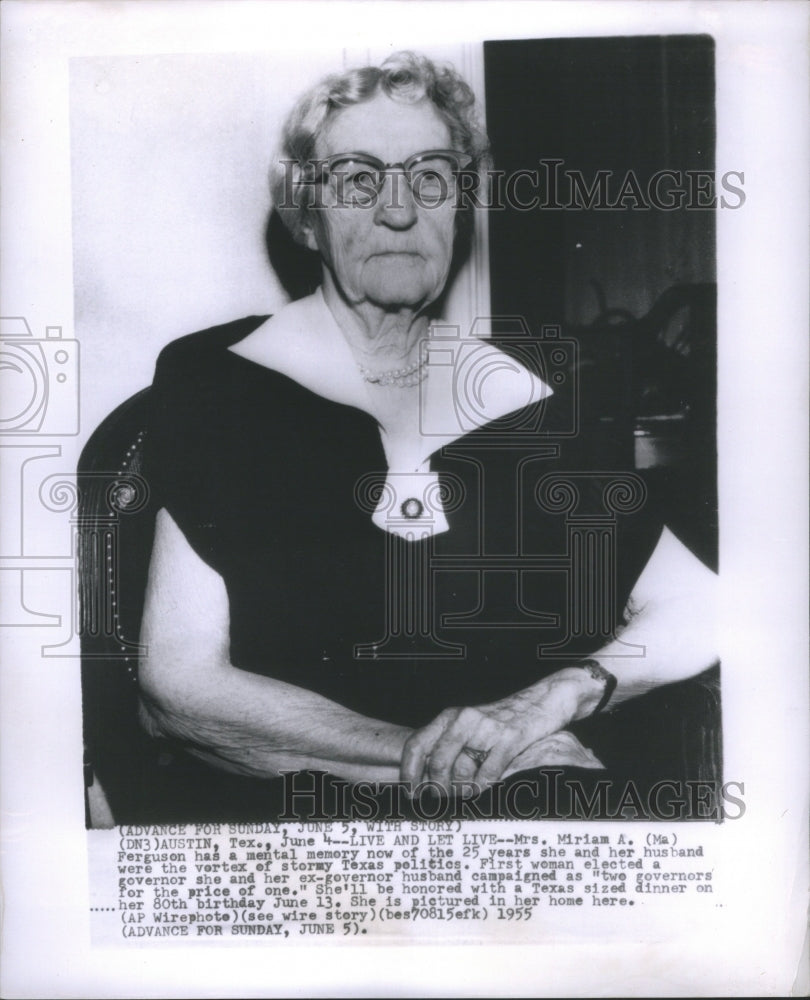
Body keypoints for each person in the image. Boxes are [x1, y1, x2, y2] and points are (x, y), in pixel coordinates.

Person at [134, 51, 718, 822]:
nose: (400, 209)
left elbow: (708, 609)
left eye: (432, 176)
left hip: (538, 792)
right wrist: (464, 761)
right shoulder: (223, 381)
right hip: (311, 823)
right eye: (359, 179)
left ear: (460, 206)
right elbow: (177, 689)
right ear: (309, 215)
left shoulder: (532, 397)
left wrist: (546, 704)